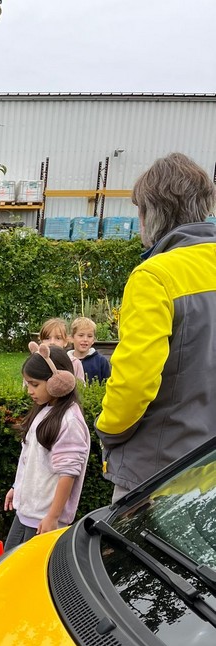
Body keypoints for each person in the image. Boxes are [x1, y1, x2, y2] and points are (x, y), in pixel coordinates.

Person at [97, 152, 216, 501]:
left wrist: (107, 430)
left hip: (158, 476)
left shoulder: (155, 276)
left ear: (152, 212)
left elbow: (135, 381)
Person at [4, 343, 91, 551]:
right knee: (8, 566)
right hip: (27, 511)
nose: (29, 391)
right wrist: (18, 487)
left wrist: (53, 517)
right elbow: (28, 457)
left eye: (34, 384)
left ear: (58, 382)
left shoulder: (69, 421)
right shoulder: (44, 410)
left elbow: (68, 474)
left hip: (44, 519)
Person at [38, 317, 85, 382]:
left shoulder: (74, 363)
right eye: (47, 338)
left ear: (65, 341)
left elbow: (81, 387)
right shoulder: (36, 362)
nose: (52, 342)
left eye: (58, 338)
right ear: (41, 341)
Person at [68, 316, 111, 384]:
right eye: (81, 335)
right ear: (71, 338)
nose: (85, 339)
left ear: (93, 340)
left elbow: (106, 385)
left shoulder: (101, 361)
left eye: (89, 336)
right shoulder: (65, 360)